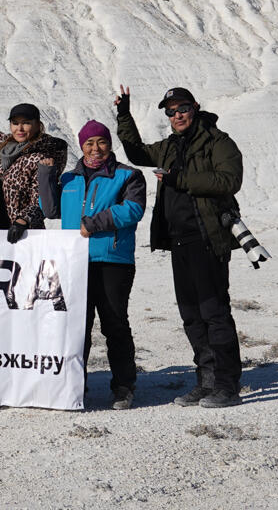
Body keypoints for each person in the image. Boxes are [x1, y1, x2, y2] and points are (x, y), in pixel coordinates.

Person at [114, 86, 245, 408]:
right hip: (179, 240)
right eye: (170, 111)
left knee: (214, 313)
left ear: (195, 107)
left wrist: (180, 178)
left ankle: (227, 385)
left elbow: (230, 181)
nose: (177, 115)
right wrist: (123, 115)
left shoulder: (218, 142)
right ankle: (206, 381)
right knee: (191, 315)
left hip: (208, 236)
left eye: (182, 108)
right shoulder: (171, 145)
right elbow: (137, 154)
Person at [47, 120, 147, 409]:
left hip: (112, 260)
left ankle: (124, 386)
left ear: (109, 144)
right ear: (81, 146)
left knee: (114, 324)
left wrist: (94, 223)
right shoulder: (68, 180)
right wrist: (44, 174)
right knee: (77, 327)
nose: (95, 148)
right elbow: (50, 209)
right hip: (74, 263)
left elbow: (133, 209)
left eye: (101, 141)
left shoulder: (128, 176)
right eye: (89, 143)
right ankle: (76, 385)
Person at [0, 60, 69, 241]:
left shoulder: (42, 158)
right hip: (1, 228)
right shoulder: (5, 147)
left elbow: (40, 200)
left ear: (38, 125)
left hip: (28, 232)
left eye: (26, 123)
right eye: (15, 123)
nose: (20, 128)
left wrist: (23, 220)